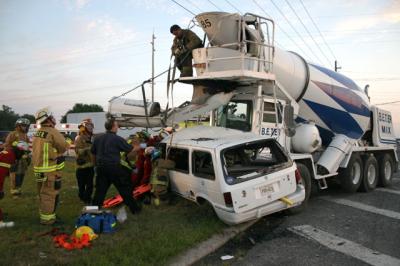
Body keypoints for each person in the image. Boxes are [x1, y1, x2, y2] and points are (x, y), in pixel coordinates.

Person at [91, 119, 141, 214]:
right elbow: (131, 149)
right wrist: (142, 145)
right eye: (117, 125)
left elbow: (93, 153)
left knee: (100, 191)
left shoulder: (97, 138)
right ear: (113, 127)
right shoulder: (117, 139)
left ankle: (93, 211)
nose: (118, 127)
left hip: (101, 168)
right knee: (124, 189)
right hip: (114, 168)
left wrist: (95, 166)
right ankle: (135, 210)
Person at [32, 107, 70, 225]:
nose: (54, 118)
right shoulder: (52, 131)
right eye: (52, 116)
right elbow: (64, 146)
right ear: (48, 119)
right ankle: (48, 220)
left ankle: (46, 214)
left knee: (42, 193)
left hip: (38, 169)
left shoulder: (38, 132)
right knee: (49, 194)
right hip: (49, 170)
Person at [0, 141, 30, 228]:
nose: (23, 156)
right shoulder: (9, 157)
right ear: (19, 150)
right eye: (23, 153)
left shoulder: (8, 153)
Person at [5, 118, 30, 198]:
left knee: (21, 174)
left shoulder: (25, 135)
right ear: (18, 126)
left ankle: (18, 189)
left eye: (26, 126)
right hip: (14, 158)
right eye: (23, 126)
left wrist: (27, 155)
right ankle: (14, 192)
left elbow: (27, 146)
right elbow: (7, 145)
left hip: (22, 159)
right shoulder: (13, 134)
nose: (25, 127)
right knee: (14, 175)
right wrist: (14, 148)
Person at [74, 118, 95, 204]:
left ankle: (87, 198)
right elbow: (78, 151)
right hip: (81, 166)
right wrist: (88, 148)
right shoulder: (79, 138)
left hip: (90, 165)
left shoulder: (92, 138)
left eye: (91, 126)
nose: (91, 128)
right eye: (89, 126)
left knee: (90, 184)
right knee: (81, 185)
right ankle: (82, 197)